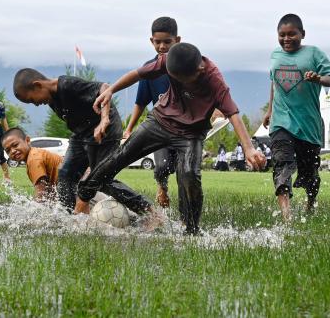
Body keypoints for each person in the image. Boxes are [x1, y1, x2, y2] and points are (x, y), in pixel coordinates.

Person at [75, 43, 265, 235]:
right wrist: (111, 90)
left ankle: (191, 230)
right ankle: (83, 197)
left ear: (199, 69)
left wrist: (248, 148)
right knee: (121, 156)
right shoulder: (168, 60)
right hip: (160, 121)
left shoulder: (215, 81)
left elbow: (233, 114)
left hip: (191, 134)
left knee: (189, 175)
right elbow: (138, 74)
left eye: (184, 80)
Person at [12, 68, 152, 214]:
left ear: (38, 85)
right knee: (65, 174)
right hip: (82, 134)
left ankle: (149, 212)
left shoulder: (67, 85)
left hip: (105, 131)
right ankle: (73, 217)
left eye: (31, 100)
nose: (35, 104)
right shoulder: (51, 99)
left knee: (100, 179)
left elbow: (103, 88)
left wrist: (104, 119)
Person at [262, 14, 330, 221]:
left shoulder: (314, 53)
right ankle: (287, 215)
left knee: (309, 173)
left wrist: (318, 78)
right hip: (281, 121)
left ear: (302, 34)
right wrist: (269, 111)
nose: (287, 38)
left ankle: (310, 204)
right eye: (282, 35)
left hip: (308, 124)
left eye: (292, 34)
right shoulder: (275, 55)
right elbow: (274, 82)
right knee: (281, 163)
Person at [123, 17, 180, 207]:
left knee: (186, 171)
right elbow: (140, 103)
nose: (162, 46)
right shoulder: (149, 69)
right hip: (161, 127)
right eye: (158, 42)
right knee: (162, 166)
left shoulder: (185, 65)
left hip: (185, 129)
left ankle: (187, 212)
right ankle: (162, 187)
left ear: (177, 40)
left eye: (167, 42)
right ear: (151, 41)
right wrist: (129, 128)